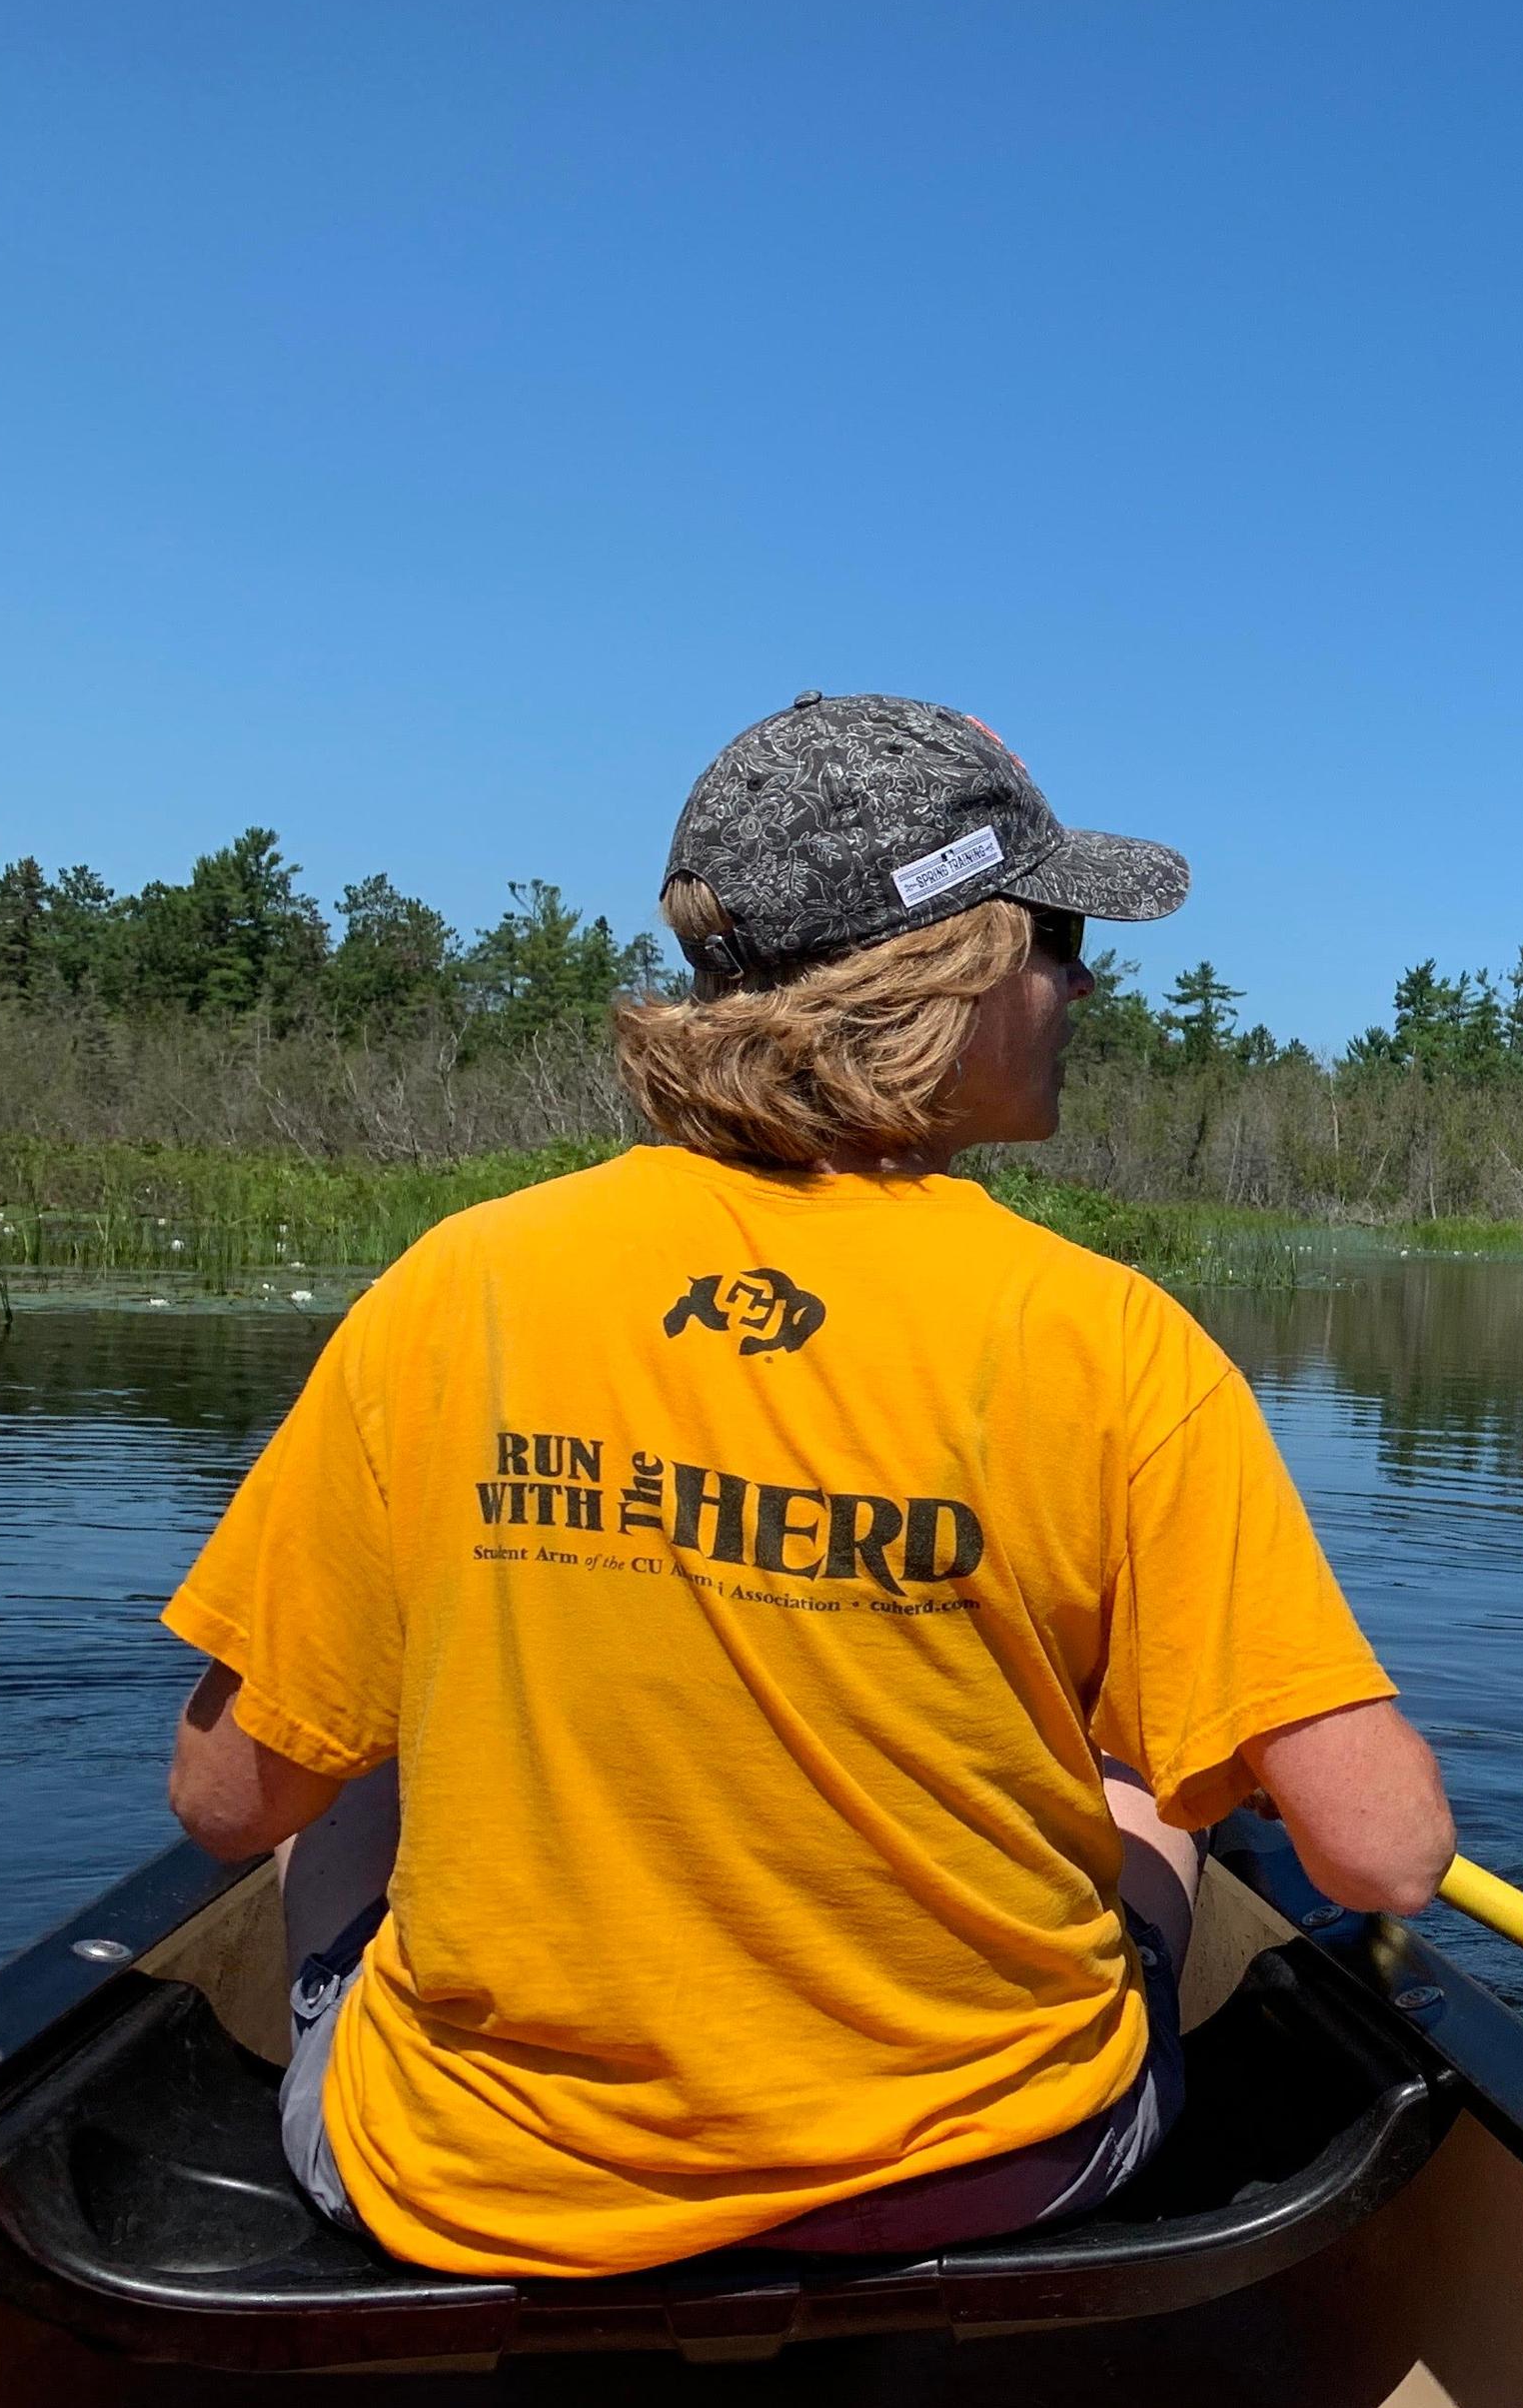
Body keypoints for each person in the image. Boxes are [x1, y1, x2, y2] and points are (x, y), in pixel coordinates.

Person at [161, 692, 1453, 2277]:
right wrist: (1175, 1755)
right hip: (995, 2173)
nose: (1080, 981)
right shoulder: (1113, 1339)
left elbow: (224, 1809)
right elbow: (1384, 1859)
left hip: (479, 2193)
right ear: (955, 969)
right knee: (1141, 1780)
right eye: (1053, 935)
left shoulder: (462, 1285)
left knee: (357, 1746)